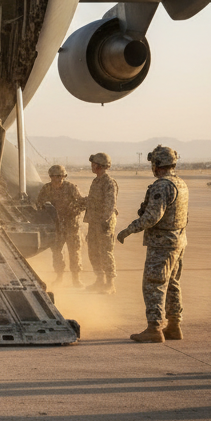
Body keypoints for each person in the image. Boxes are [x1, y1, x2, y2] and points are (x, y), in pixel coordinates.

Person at [117, 145, 189, 342]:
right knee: (173, 283)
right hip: (178, 240)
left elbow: (152, 217)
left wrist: (129, 230)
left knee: (153, 284)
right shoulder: (180, 184)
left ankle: (154, 328)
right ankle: (174, 326)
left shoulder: (162, 186)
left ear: (157, 164)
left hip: (162, 245)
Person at [36, 164, 85, 286]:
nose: (56, 179)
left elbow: (82, 204)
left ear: (64, 176)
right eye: (53, 176)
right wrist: (47, 212)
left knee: (74, 252)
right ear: (50, 177)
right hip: (57, 227)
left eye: (59, 176)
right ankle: (59, 276)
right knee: (57, 252)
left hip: (71, 227)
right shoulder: (47, 188)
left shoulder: (71, 188)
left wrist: (73, 211)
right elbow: (39, 203)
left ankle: (76, 278)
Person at [80, 152, 119, 294]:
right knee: (93, 251)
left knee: (105, 252)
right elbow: (92, 200)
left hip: (104, 223)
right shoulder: (96, 181)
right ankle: (99, 280)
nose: (92, 166)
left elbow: (110, 205)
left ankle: (110, 284)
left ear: (101, 165)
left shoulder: (109, 182)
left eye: (94, 164)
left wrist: (104, 222)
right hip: (94, 222)